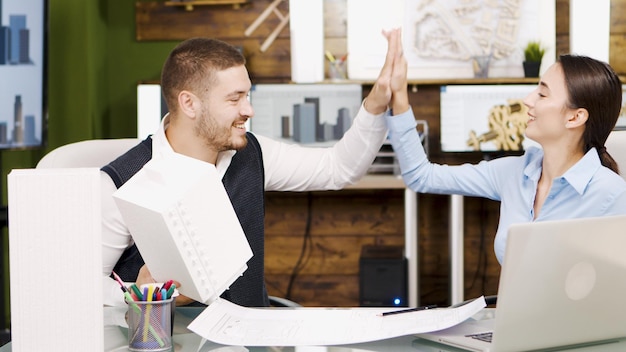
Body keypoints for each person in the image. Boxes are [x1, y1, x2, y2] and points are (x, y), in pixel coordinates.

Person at [101, 30, 407, 307]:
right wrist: (138, 296)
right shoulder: (118, 182)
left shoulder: (253, 153)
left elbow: (338, 168)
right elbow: (84, 286)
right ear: (189, 104)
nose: (248, 110)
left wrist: (377, 103)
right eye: (235, 99)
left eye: (247, 95)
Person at [386, 53, 626, 265]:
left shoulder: (612, 194)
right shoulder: (514, 172)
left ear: (575, 118)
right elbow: (422, 176)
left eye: (542, 93)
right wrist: (398, 95)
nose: (528, 100)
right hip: (514, 316)